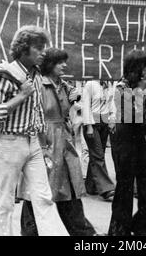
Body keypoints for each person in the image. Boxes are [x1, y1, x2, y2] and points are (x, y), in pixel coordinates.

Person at [0, 25, 67, 236]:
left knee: (44, 198)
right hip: (8, 142)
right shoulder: (4, 75)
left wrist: (43, 145)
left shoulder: (35, 74)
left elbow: (37, 112)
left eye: (44, 47)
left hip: (32, 142)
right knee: (5, 201)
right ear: (23, 49)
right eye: (38, 47)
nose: (43, 52)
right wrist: (20, 96)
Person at [20, 48, 97, 236]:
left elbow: (68, 106)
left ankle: (81, 232)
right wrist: (42, 145)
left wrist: (73, 100)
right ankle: (30, 232)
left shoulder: (63, 85)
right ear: (49, 64)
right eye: (59, 62)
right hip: (44, 139)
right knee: (39, 190)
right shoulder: (38, 83)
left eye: (64, 61)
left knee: (68, 189)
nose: (64, 65)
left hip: (63, 139)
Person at [107, 49, 146, 236]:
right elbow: (131, 115)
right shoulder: (121, 87)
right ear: (136, 68)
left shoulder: (141, 85)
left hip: (138, 139)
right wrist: (140, 92)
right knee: (125, 187)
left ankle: (139, 224)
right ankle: (119, 231)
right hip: (124, 140)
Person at [82, 77, 116, 201]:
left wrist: (112, 119)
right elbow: (85, 106)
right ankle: (106, 189)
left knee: (96, 155)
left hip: (104, 123)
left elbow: (111, 103)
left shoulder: (108, 83)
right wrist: (89, 126)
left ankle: (91, 186)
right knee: (98, 155)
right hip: (92, 124)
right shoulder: (90, 84)